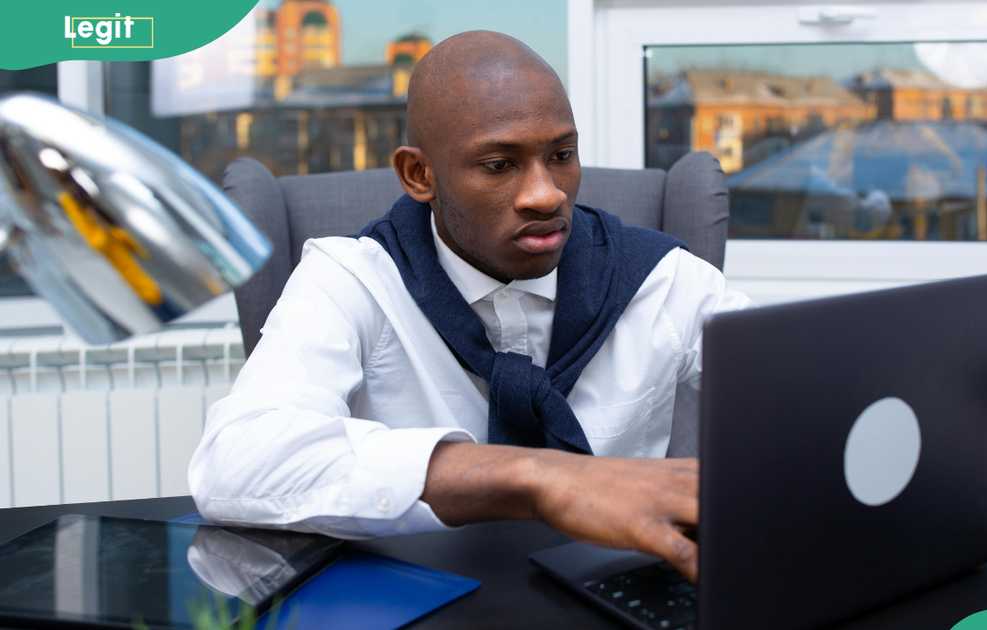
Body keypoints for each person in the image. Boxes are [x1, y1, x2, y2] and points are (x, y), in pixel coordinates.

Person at [188, 31, 749, 582]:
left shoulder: (666, 280)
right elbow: (236, 462)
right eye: (499, 165)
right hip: (408, 598)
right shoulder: (352, 279)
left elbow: (798, 408)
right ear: (419, 175)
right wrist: (538, 477)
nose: (546, 194)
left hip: (616, 596)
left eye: (562, 155)